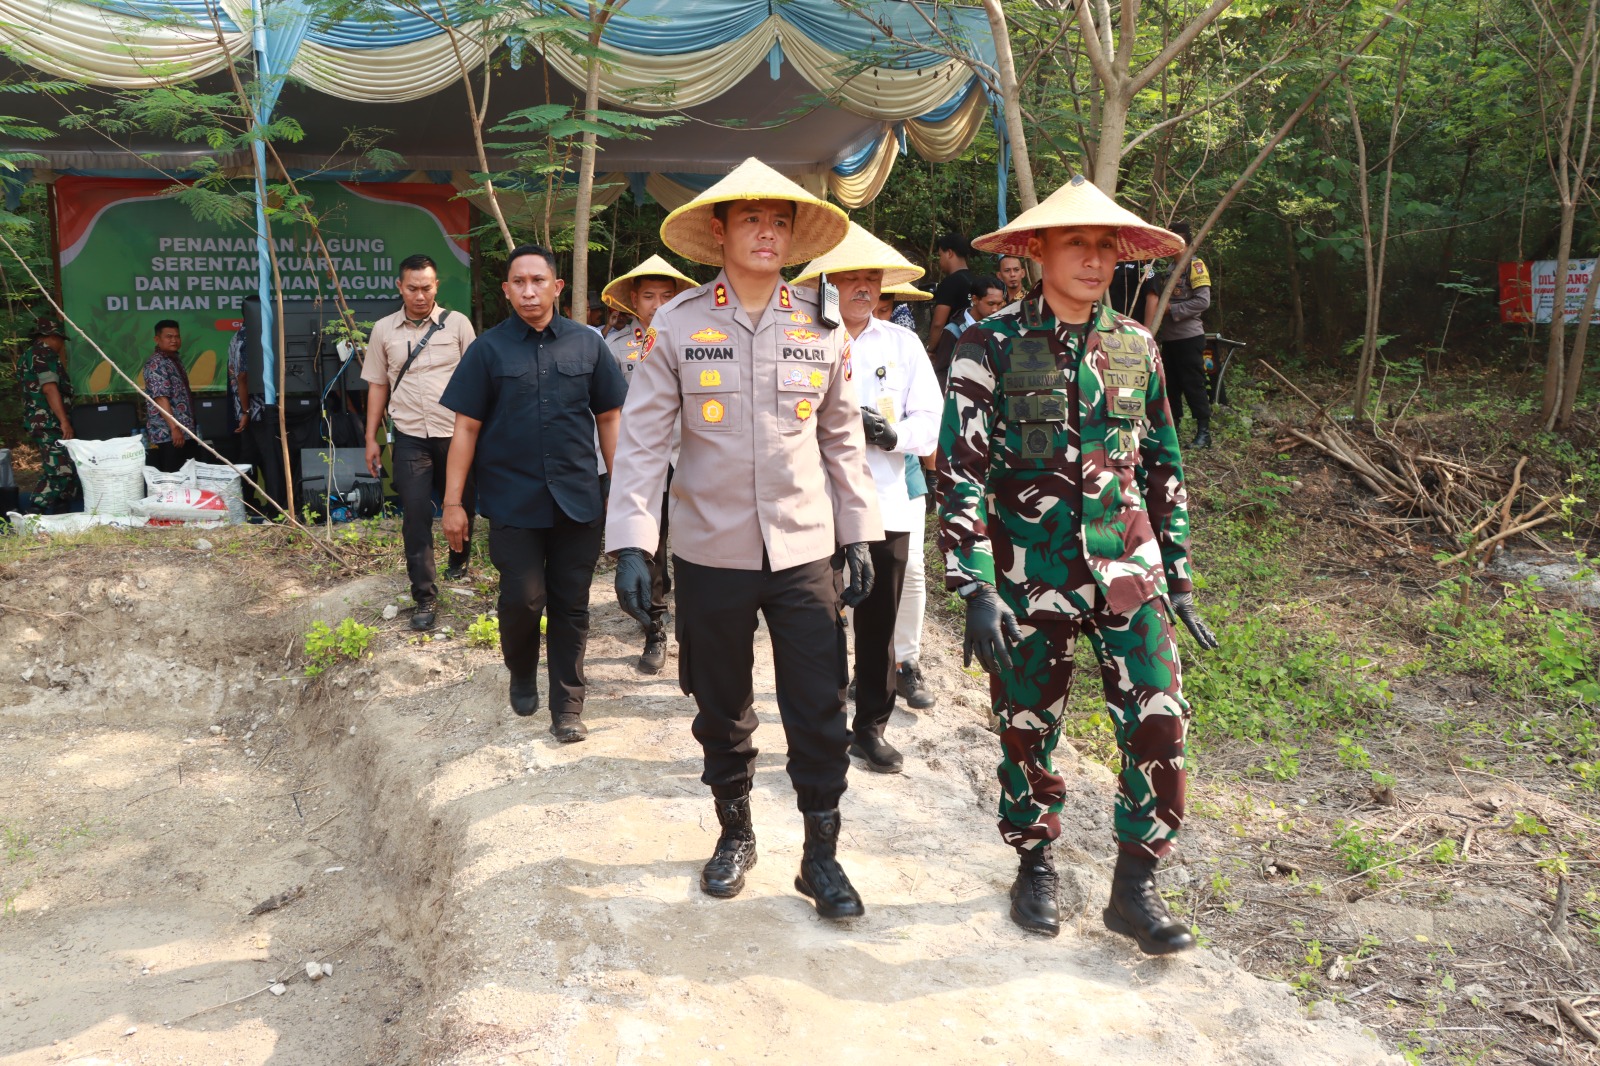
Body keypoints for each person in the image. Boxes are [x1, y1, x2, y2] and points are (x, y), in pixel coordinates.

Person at [939, 174, 1220, 954]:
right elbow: (960, 469)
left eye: (1104, 246)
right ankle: (1034, 859)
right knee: (1028, 727)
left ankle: (1135, 885)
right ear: (1036, 252)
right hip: (1031, 575)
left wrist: (1181, 572)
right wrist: (974, 583)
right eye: (1076, 244)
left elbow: (1162, 462)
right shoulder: (987, 346)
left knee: (1160, 720)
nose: (1093, 260)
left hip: (1130, 571)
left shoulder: (1135, 345)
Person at [606, 158, 881, 919]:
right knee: (721, 705)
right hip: (709, 552)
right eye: (752, 219)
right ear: (721, 231)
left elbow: (842, 439)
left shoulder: (822, 325)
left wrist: (857, 534)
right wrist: (634, 541)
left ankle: (819, 858)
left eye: (782, 221)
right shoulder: (679, 324)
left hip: (802, 552)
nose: (768, 232)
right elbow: (643, 441)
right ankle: (736, 833)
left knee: (820, 708)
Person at [439, 246, 624, 741]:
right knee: (523, 598)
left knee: (572, 605)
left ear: (557, 287)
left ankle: (567, 708)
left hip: (578, 500)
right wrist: (453, 503)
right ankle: (521, 670)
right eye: (518, 282)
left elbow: (609, 417)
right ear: (506, 290)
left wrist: (623, 491)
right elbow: (466, 429)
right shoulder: (488, 350)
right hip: (512, 501)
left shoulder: (588, 345)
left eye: (537, 280)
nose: (528, 290)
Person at [793, 223, 941, 774]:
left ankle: (870, 727)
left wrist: (892, 435)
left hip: (885, 501)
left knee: (879, 619)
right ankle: (823, 725)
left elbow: (932, 418)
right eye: (850, 276)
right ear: (828, 284)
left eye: (870, 277)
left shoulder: (901, 344)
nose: (862, 286)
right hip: (813, 502)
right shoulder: (803, 339)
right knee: (816, 618)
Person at [362, 253, 480, 631]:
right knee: (414, 514)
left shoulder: (458, 325)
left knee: (462, 503)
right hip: (410, 436)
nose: (419, 295)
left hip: (456, 434)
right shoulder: (383, 330)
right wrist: (371, 437)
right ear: (400, 287)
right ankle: (425, 597)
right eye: (412, 288)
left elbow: (480, 381)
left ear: (436, 286)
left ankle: (459, 558)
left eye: (426, 287)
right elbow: (378, 384)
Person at [601, 253, 695, 673]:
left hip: (690, 452)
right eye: (649, 296)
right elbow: (606, 410)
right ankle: (655, 628)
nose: (657, 304)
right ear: (633, 302)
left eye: (666, 296)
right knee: (649, 542)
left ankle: (696, 628)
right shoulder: (615, 347)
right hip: (643, 458)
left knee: (694, 541)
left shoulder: (697, 339)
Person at [1154, 221, 1214, 449]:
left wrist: (1172, 309)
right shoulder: (1169, 269)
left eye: (1177, 243)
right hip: (1170, 338)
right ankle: (1174, 430)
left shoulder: (1195, 265)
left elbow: (1202, 301)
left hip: (1189, 336)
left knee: (1193, 383)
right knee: (1171, 385)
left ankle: (1204, 432)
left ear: (1188, 245)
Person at [18, 317, 77, 514]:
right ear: (52, 337)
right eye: (61, 340)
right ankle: (34, 512)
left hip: (40, 421)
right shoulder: (45, 354)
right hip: (50, 422)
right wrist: (64, 421)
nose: (61, 346)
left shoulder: (27, 355)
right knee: (60, 470)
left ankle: (63, 511)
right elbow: (50, 389)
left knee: (62, 465)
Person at [143, 319, 199, 473]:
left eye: (177, 336)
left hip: (184, 432)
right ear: (157, 339)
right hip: (169, 435)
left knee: (188, 476)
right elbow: (161, 398)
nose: (174, 340)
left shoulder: (174, 360)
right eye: (169, 336)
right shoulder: (156, 363)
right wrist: (174, 428)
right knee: (173, 478)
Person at [931, 275, 1007, 383]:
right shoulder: (954, 331)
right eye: (990, 303)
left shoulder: (1001, 328)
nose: (995, 309)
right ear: (975, 299)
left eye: (999, 304)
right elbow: (942, 372)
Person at [925, 232, 974, 352]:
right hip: (973, 344)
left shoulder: (950, 282)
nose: (940, 261)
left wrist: (930, 349)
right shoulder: (975, 280)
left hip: (952, 347)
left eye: (940, 255)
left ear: (950, 253)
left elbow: (938, 323)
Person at [221, 324, 258, 466]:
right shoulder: (246, 337)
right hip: (253, 412)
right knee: (252, 459)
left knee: (248, 460)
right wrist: (246, 411)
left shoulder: (236, 338)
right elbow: (243, 377)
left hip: (244, 412)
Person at [1107, 261, 1157, 327]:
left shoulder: (1146, 260)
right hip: (1111, 322)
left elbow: (1152, 297)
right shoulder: (1117, 259)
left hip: (1134, 325)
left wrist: (1147, 331)